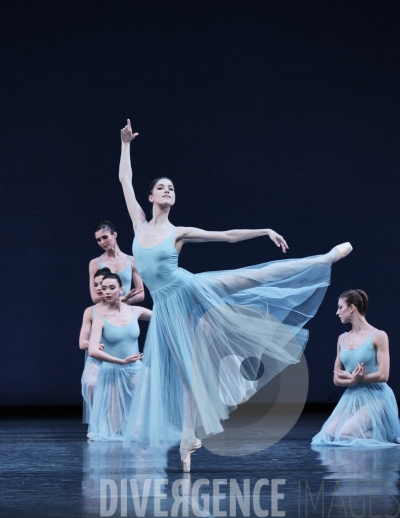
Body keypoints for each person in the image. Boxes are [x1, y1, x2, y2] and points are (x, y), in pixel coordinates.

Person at [119, 119, 353, 471]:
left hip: (190, 287)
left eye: (172, 188)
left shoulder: (178, 232)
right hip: (166, 307)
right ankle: (187, 440)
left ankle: (323, 259)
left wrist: (264, 231)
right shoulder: (138, 224)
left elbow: (226, 236)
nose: (167, 190)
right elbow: (125, 180)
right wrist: (125, 145)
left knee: (251, 279)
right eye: (161, 188)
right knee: (186, 372)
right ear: (150, 197)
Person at [312, 289, 400, 446]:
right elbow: (336, 378)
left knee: (346, 435)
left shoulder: (379, 336)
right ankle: (380, 432)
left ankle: (384, 433)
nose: (337, 312)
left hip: (377, 396)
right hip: (352, 395)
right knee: (328, 435)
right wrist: (353, 381)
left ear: (351, 308)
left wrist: (359, 378)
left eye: (340, 307)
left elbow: (383, 375)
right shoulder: (342, 338)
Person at [87, 273, 151, 441]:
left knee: (145, 395)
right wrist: (121, 361)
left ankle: (137, 431)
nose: (107, 291)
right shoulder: (100, 319)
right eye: (104, 288)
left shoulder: (135, 311)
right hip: (113, 371)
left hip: (135, 368)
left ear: (121, 290)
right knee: (115, 429)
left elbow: (162, 317)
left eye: (111, 288)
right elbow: (93, 350)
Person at [80, 267, 111, 424]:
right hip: (96, 359)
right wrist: (92, 344)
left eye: (102, 284)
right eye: (96, 285)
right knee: (90, 383)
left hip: (116, 357)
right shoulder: (90, 311)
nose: (99, 288)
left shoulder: (123, 310)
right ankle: (97, 422)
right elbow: (82, 342)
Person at [89, 220, 145, 305]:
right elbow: (95, 298)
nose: (102, 242)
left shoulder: (132, 260)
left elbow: (140, 294)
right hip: (104, 313)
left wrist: (122, 303)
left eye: (105, 237)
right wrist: (122, 299)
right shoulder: (95, 263)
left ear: (114, 234)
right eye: (98, 240)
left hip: (125, 312)